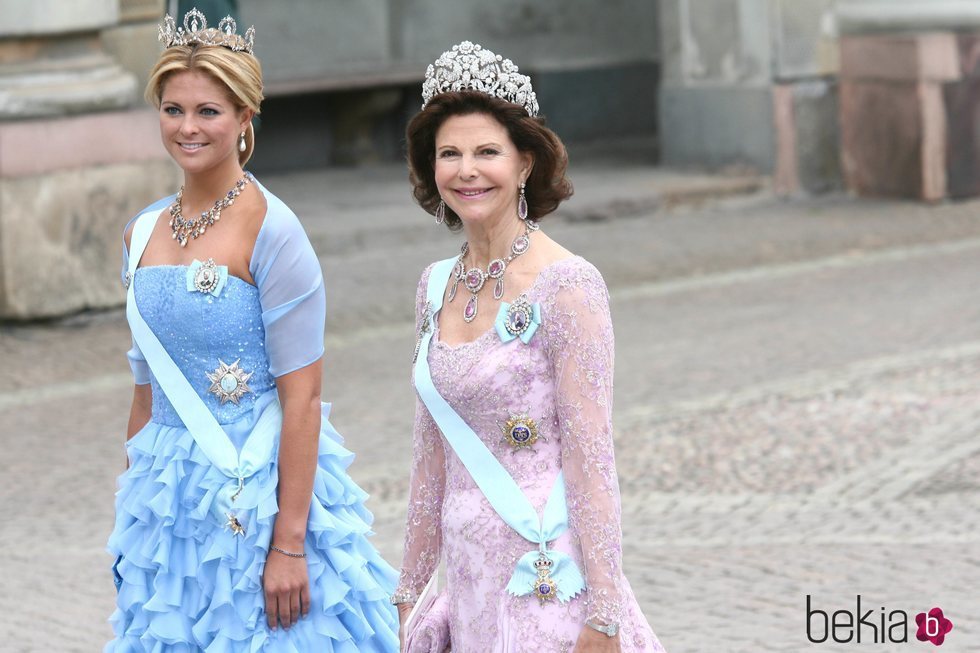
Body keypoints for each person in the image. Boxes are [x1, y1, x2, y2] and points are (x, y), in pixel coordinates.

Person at [105, 10, 399, 651]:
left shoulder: (275, 230)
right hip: (169, 497)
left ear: (245, 118)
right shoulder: (140, 233)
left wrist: (289, 544)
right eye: (173, 109)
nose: (188, 127)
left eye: (208, 111)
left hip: (259, 487)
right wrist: (132, 514)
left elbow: (305, 397)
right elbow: (145, 390)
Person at [395, 41, 665, 652]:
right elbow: (428, 459)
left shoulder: (569, 286)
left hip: (546, 580)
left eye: (487, 152)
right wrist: (409, 596)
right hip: (468, 585)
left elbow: (592, 459)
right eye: (450, 154)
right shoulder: (434, 286)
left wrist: (604, 613)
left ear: (524, 163)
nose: (467, 170)